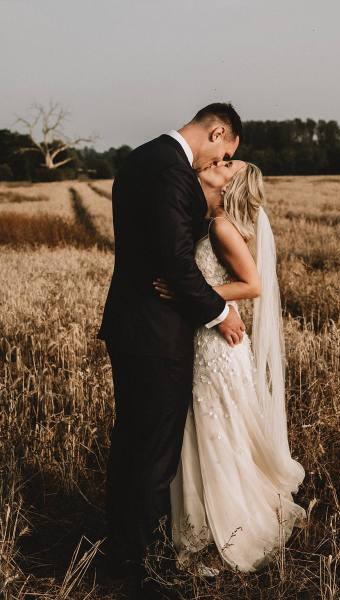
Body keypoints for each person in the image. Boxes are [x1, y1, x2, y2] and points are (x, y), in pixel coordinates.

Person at [96, 103, 245, 597]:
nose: (220, 163)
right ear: (217, 130)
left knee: (133, 445)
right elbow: (177, 267)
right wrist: (222, 314)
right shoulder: (172, 172)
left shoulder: (138, 160)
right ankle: (144, 571)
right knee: (155, 455)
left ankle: (120, 552)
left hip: (129, 326)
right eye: (225, 152)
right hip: (157, 333)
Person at [154, 160, 306, 573]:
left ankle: (230, 526)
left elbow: (252, 284)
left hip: (219, 344)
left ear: (231, 183)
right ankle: (198, 521)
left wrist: (193, 294)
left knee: (216, 427)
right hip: (207, 340)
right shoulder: (209, 221)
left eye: (227, 164)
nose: (216, 164)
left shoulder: (222, 227)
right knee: (204, 426)